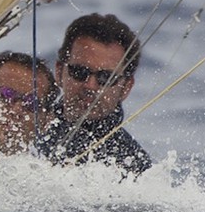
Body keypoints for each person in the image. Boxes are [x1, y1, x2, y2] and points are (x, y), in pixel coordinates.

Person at [41, 13, 151, 176]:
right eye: (79, 72)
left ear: (126, 87)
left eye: (106, 78)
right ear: (59, 72)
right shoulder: (27, 128)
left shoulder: (134, 167)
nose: (90, 85)